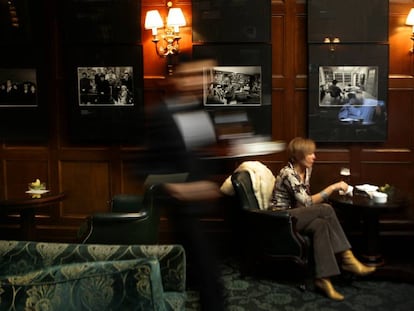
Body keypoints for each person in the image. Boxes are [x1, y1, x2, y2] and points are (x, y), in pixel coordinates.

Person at [143, 58, 225, 311]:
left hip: (209, 209)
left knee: (203, 277)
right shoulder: (160, 115)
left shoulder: (204, 112)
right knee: (211, 282)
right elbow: (143, 169)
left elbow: (202, 157)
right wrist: (180, 189)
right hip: (183, 211)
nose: (206, 79)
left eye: (207, 74)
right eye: (198, 74)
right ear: (178, 79)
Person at [270, 137, 375, 301]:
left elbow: (303, 204)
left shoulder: (306, 170)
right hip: (281, 219)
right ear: (298, 156)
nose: (314, 157)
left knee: (321, 224)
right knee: (326, 209)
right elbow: (307, 202)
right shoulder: (287, 173)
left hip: (296, 215)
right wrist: (333, 187)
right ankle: (347, 258)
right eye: (310, 154)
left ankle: (323, 279)